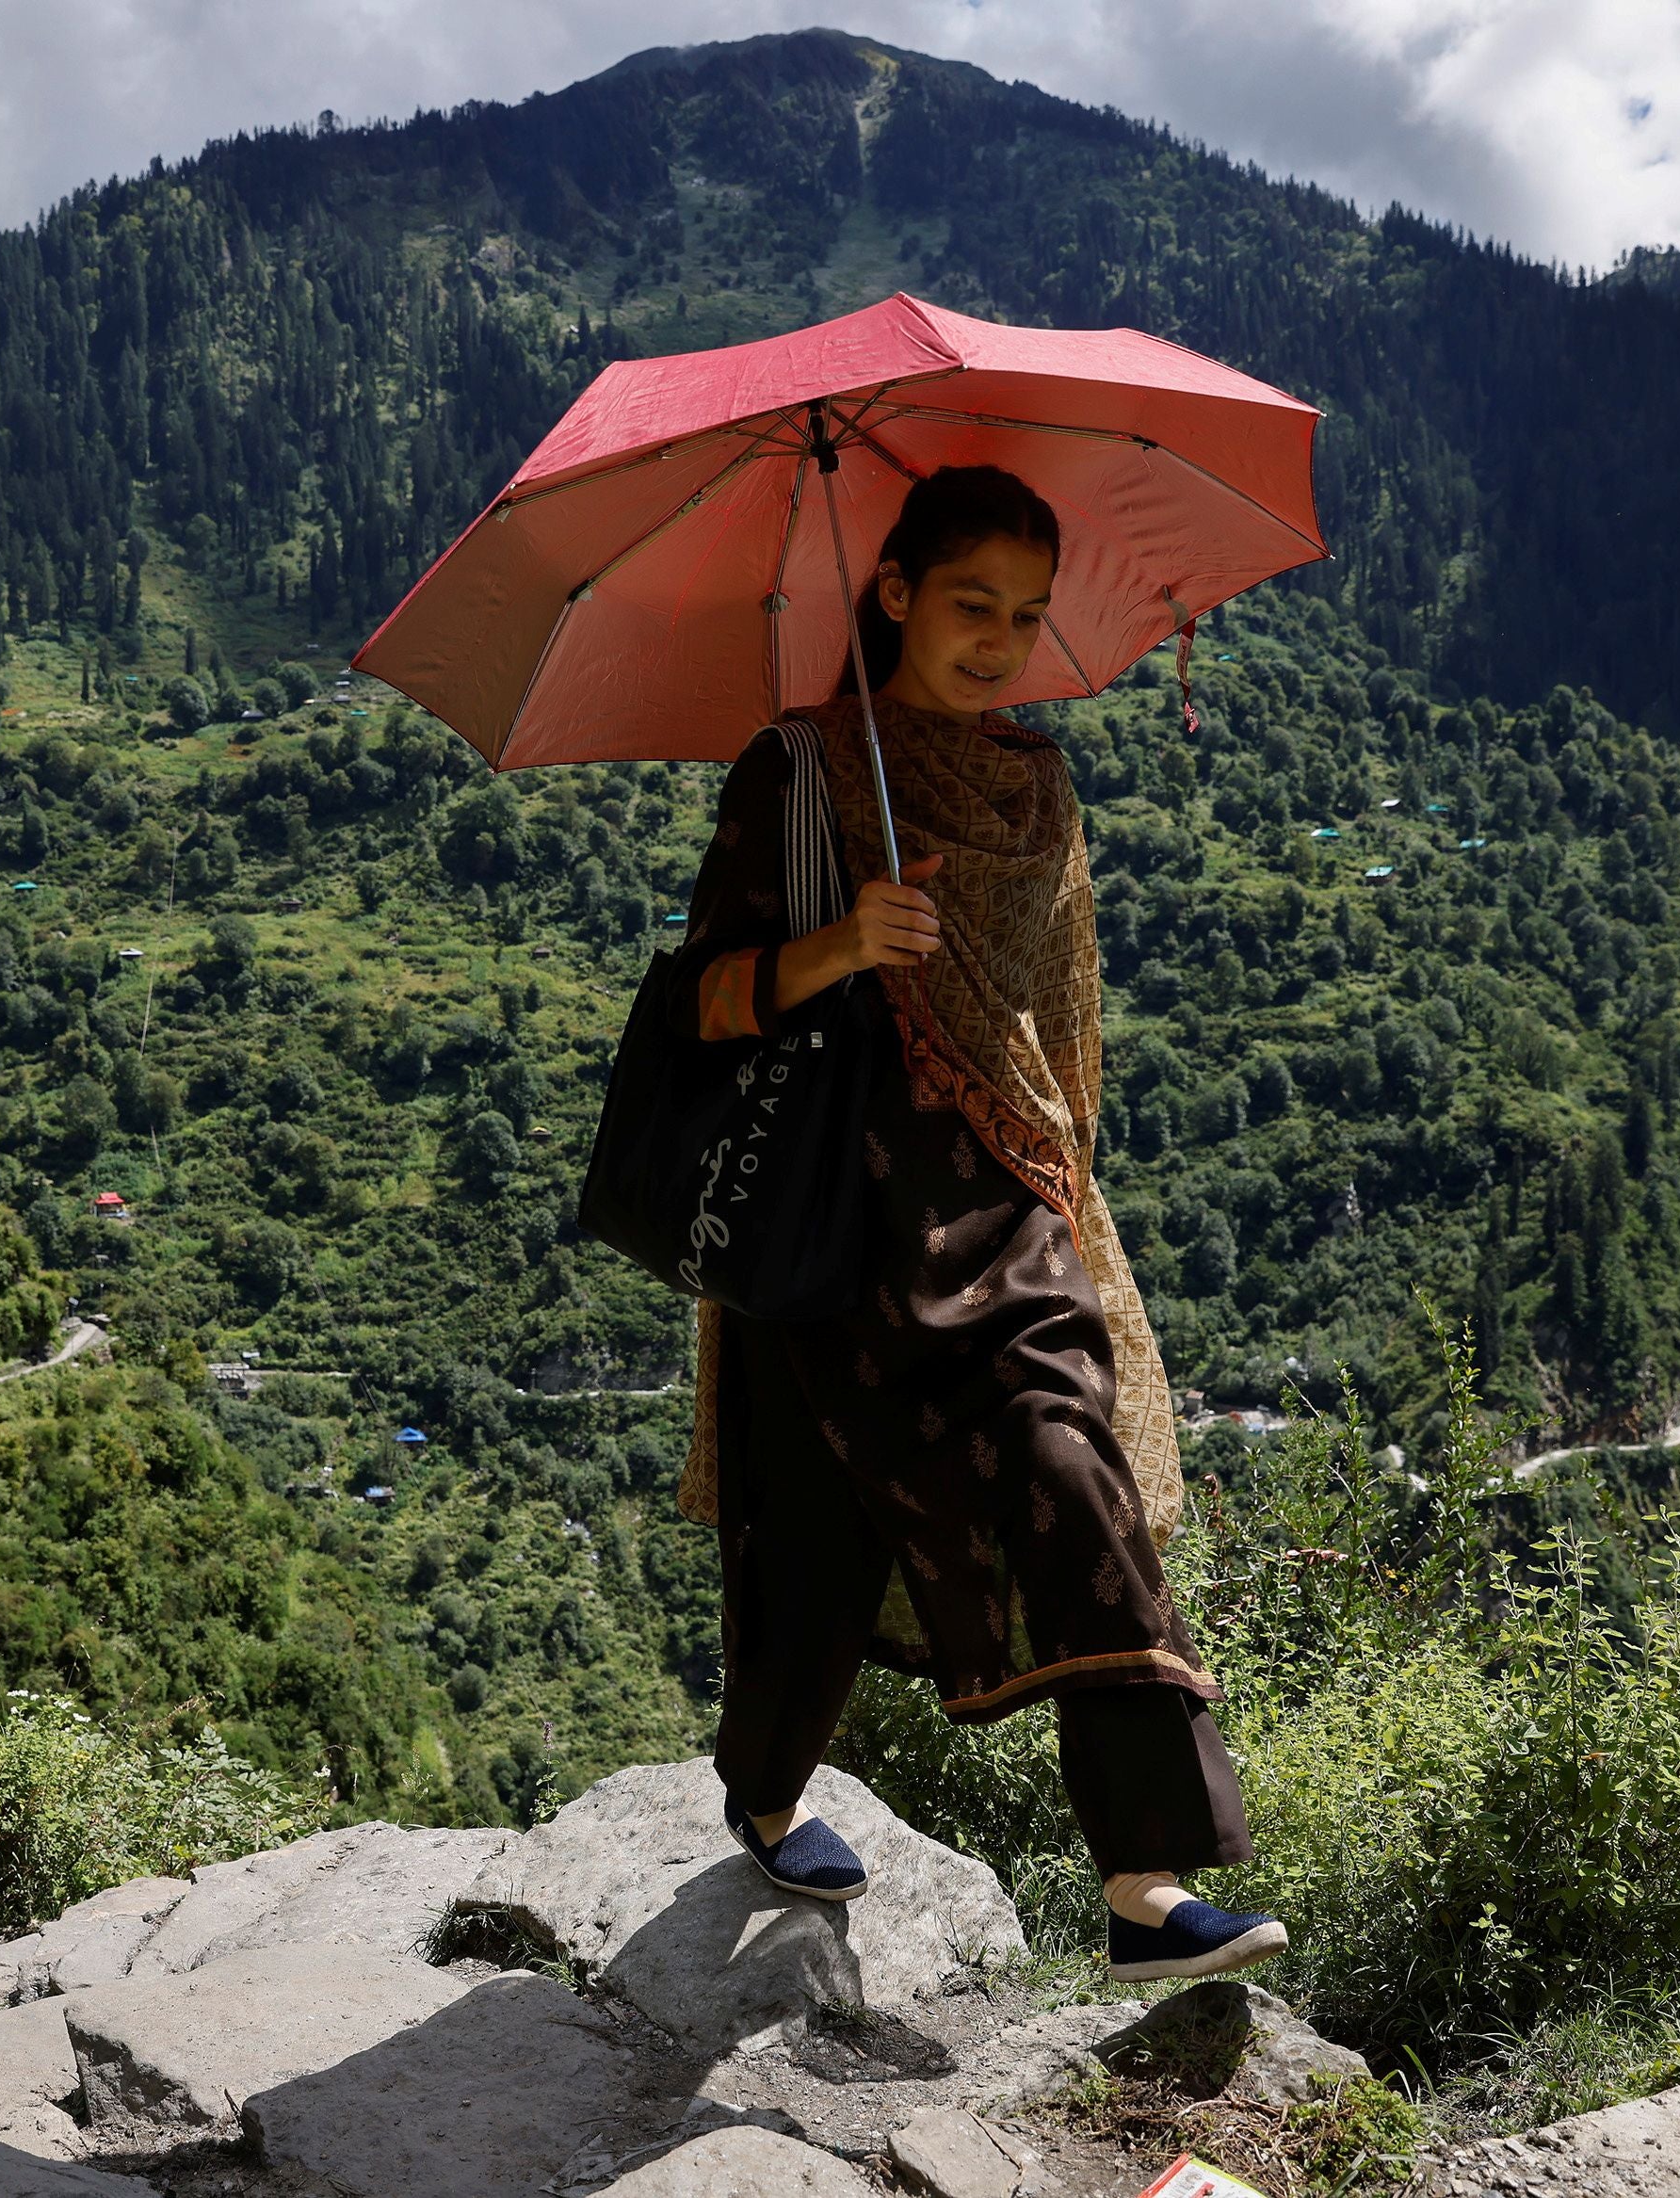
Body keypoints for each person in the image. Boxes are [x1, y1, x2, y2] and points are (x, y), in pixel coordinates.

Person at [671, 463, 1284, 1982]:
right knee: (809, 1527)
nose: (999, 639)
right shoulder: (799, 770)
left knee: (1073, 1465)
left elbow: (1059, 1023)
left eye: (1024, 613)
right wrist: (839, 946)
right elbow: (698, 1002)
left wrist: (1062, 1191)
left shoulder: (1032, 782)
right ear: (891, 595)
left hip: (999, 1204)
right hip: (832, 1218)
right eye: (969, 605)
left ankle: (1147, 1883)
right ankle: (762, 1792)